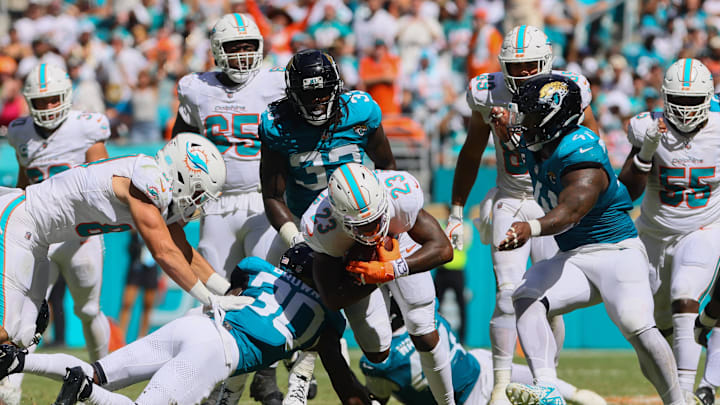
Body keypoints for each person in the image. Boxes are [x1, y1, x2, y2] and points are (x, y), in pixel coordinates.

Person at [496, 74, 683, 405]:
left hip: (616, 252)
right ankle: (548, 389)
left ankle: (678, 402)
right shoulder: (540, 143)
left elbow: (571, 211)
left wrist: (532, 227)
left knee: (635, 324)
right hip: (575, 256)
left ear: (554, 117)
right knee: (526, 294)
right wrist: (506, 131)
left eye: (533, 115)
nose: (525, 122)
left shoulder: (580, 149)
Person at [0, 245, 373, 405]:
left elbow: (239, 281)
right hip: (217, 353)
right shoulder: (327, 319)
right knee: (104, 390)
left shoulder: (263, 270)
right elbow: (342, 381)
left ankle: (17, 361)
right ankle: (83, 392)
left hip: (195, 324)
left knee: (99, 371)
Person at [445, 25, 599, 404]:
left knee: (547, 301)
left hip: (552, 202)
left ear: (546, 61)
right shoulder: (487, 92)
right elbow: (470, 151)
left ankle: (546, 380)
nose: (523, 73)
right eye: (516, 66)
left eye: (531, 65)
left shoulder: (570, 89)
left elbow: (592, 149)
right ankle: (499, 387)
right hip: (512, 196)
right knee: (506, 295)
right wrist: (456, 209)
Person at [0, 133, 234, 357]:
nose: (198, 202)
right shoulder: (150, 179)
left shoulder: (154, 187)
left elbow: (182, 249)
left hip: (39, 237)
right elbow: (164, 252)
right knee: (6, 329)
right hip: (20, 222)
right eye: (200, 192)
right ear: (184, 175)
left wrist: (226, 290)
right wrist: (210, 299)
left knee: (23, 334)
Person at [302, 163, 456, 404]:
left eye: (374, 220)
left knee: (423, 328)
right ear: (340, 218)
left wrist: (391, 269)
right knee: (377, 353)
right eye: (362, 225)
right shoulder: (322, 228)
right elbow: (332, 297)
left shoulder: (402, 195)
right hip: (353, 266)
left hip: (397, 242)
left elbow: (444, 249)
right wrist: (372, 278)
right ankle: (391, 308)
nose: (372, 230)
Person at [4, 63, 112, 405]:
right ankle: (9, 389)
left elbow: (104, 179)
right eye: (42, 101)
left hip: (80, 237)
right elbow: (24, 184)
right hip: (39, 239)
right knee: (21, 317)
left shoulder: (86, 127)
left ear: (66, 97)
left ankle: (105, 377)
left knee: (89, 310)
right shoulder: (21, 131)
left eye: (54, 99)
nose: (49, 107)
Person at [618, 58, 720, 404]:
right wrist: (645, 152)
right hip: (653, 235)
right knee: (647, 329)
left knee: (684, 293)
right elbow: (627, 192)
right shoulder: (647, 126)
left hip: (704, 227)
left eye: (694, 101)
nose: (687, 110)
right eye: (680, 100)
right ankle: (676, 391)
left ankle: (689, 395)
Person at [260, 48, 396, 263]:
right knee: (275, 283)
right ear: (292, 94)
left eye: (322, 93)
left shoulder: (360, 111)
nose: (316, 102)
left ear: (336, 88)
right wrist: (295, 239)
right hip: (305, 223)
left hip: (360, 218)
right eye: (308, 95)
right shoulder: (278, 126)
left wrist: (380, 219)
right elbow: (272, 196)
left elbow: (387, 166)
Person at [360, 300, 606, 405]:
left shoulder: (381, 363)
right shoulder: (428, 313)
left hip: (469, 396)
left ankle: (575, 395)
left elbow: (378, 398)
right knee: (543, 381)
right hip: (481, 364)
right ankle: (579, 395)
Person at [119, 231, 160, 340]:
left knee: (148, 305)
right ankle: (120, 338)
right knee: (127, 303)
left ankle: (142, 338)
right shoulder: (135, 227)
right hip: (135, 266)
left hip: (151, 267)